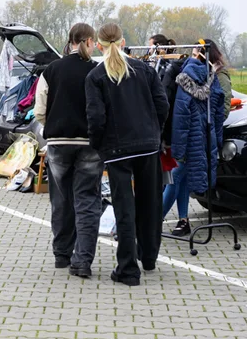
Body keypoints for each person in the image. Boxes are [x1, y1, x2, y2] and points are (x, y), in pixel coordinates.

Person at [85, 23, 169, 287]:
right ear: (123, 42)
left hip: (116, 148)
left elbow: (96, 117)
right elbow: (162, 104)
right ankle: (149, 258)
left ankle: (128, 269)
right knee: (150, 202)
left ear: (99, 45)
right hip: (147, 144)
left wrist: (98, 145)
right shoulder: (145, 70)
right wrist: (155, 132)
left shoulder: (95, 77)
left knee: (124, 208)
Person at [34, 23, 102, 277]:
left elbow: (40, 109)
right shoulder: (96, 70)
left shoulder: (51, 70)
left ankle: (61, 254)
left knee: (61, 199)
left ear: (71, 41)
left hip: (58, 142)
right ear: (88, 41)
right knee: (87, 200)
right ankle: (82, 259)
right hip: (88, 142)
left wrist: (52, 125)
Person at [164, 43, 226, 237]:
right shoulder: (212, 78)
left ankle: (149, 223)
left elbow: (181, 115)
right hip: (204, 138)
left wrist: (177, 146)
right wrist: (217, 139)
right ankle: (183, 221)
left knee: (174, 179)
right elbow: (219, 112)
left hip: (188, 137)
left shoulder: (186, 75)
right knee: (179, 179)